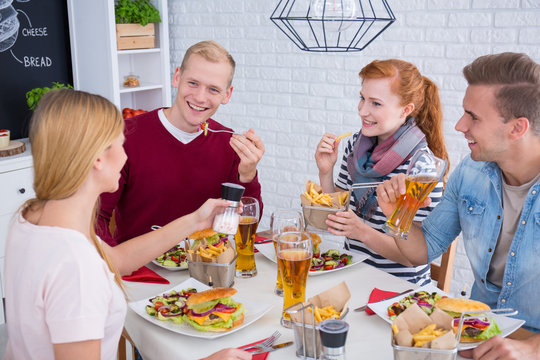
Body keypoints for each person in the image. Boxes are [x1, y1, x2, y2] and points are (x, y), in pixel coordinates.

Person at [3, 89, 251, 360]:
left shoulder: (33, 216)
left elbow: (117, 260)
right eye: (121, 144)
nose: (125, 155)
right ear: (98, 158)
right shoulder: (76, 265)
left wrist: (196, 220)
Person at [376, 52, 540, 359]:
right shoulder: (470, 171)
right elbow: (423, 249)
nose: (459, 125)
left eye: (473, 116)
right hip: (475, 337)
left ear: (517, 128)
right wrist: (397, 213)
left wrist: (532, 349)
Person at [97, 40, 265, 246]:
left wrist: (248, 175)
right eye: (193, 83)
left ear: (226, 95)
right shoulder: (124, 135)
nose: (200, 97)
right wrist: (116, 266)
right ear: (177, 77)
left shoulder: (228, 141)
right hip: (140, 270)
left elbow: (244, 223)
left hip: (205, 265)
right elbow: (97, 217)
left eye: (213, 89)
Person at [315, 59, 449, 285]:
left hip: (399, 291)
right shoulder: (356, 146)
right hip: (353, 276)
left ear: (406, 110)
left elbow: (412, 257)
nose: (362, 111)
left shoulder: (421, 169)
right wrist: (325, 172)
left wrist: (362, 231)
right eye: (362, 98)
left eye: (375, 103)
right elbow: (337, 209)